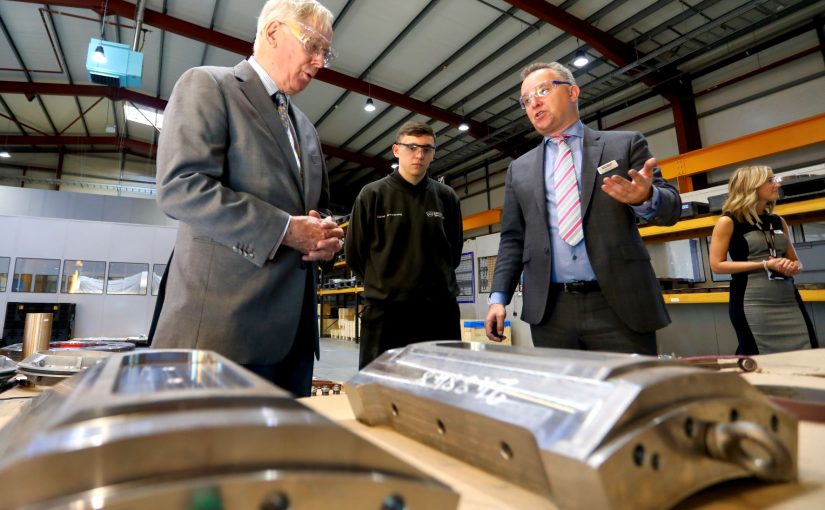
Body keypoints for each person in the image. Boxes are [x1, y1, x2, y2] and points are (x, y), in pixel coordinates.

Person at [151, 0, 344, 397]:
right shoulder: (209, 85)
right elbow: (181, 185)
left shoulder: (305, 129)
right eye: (313, 45)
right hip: (222, 336)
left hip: (293, 340)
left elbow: (315, 207)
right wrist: (286, 231)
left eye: (326, 51)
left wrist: (323, 236)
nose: (321, 61)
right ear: (273, 32)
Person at [484, 62, 681, 354]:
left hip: (619, 303)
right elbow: (513, 238)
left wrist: (645, 197)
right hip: (551, 311)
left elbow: (671, 209)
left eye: (542, 90)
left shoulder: (624, 145)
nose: (533, 102)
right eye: (526, 100)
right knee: (563, 398)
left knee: (627, 395)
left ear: (573, 92)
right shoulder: (519, 169)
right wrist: (498, 297)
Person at [345, 121, 463, 368]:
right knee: (381, 391)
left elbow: (454, 252)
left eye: (427, 149)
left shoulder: (446, 197)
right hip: (385, 314)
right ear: (396, 150)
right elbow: (355, 253)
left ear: (433, 153)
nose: (419, 155)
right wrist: (386, 287)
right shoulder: (372, 195)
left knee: (439, 391)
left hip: (438, 315)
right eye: (412, 147)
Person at [709, 165, 818, 354]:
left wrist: (792, 267)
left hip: (788, 299)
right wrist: (765, 264)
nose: (777, 184)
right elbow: (717, 265)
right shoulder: (728, 222)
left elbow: (797, 262)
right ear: (752, 186)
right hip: (753, 303)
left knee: (807, 352)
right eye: (770, 181)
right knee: (758, 358)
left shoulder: (777, 221)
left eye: (774, 179)